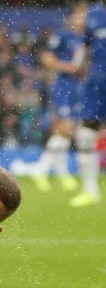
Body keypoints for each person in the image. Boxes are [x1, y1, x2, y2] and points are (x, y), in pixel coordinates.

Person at [30, 12, 84, 193]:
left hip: (78, 87)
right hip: (64, 86)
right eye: (80, 15)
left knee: (67, 132)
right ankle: (41, 169)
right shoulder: (63, 35)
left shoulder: (86, 38)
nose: (83, 19)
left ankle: (61, 173)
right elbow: (46, 59)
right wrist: (67, 67)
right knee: (64, 128)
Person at [71, 0, 106, 208]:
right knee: (85, 134)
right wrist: (77, 66)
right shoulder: (94, 13)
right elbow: (85, 46)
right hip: (97, 82)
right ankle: (90, 190)